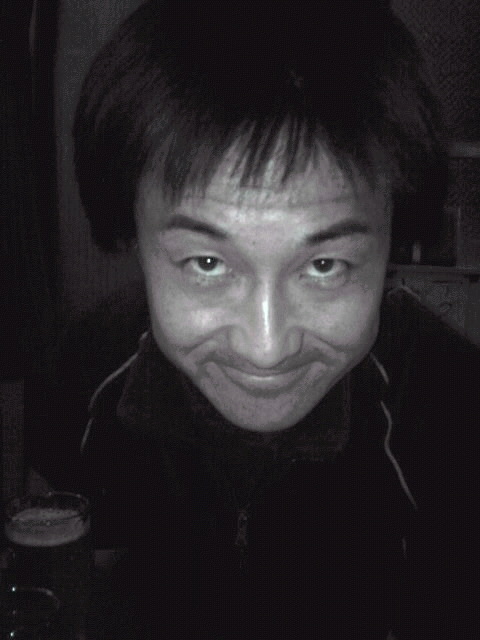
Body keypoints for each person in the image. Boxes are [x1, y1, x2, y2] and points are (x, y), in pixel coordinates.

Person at [29, 1, 479, 638]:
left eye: (324, 265)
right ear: (132, 234)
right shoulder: (87, 372)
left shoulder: (454, 414)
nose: (266, 348)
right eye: (208, 262)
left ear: (393, 242)